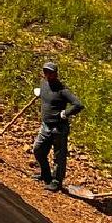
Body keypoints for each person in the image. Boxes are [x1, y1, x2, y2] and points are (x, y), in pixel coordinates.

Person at [34, 60, 84, 191]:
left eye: (50, 72)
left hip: (59, 128)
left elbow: (78, 104)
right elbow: (45, 97)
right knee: (38, 150)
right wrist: (39, 94)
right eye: (45, 72)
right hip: (45, 125)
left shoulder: (62, 90)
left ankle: (56, 182)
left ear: (55, 74)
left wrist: (66, 113)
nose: (47, 74)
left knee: (59, 156)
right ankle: (45, 174)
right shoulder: (44, 84)